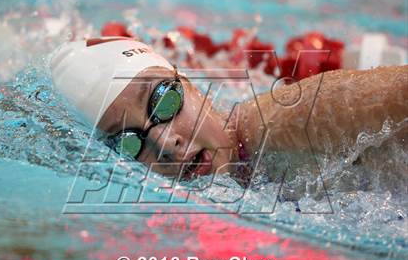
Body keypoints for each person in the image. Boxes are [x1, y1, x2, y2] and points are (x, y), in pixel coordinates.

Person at [50, 37, 408, 182]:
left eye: (163, 100)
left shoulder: (286, 120)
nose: (165, 143)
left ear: (190, 84)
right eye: (129, 141)